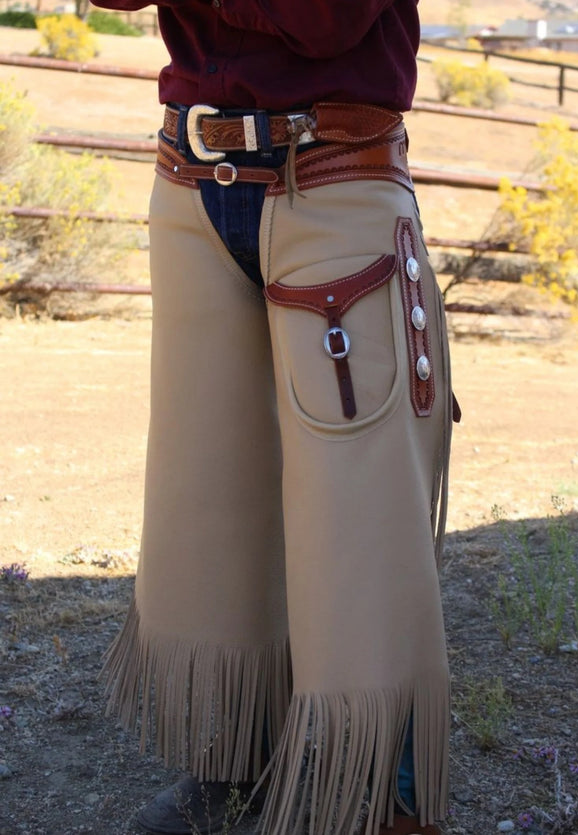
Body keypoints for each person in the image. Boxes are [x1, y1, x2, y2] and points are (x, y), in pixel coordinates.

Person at [89, 1, 458, 833]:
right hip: (190, 178)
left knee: (363, 526)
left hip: (335, 178)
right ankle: (239, 765)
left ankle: (381, 804)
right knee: (213, 499)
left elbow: (324, 18)